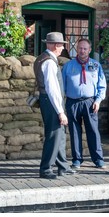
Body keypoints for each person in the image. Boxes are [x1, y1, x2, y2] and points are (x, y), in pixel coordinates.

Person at [33, 32, 76, 179]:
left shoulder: (41, 58)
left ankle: (62, 166)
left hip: (47, 100)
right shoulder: (49, 62)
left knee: (59, 134)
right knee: (53, 134)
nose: (62, 48)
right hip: (51, 101)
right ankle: (45, 168)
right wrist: (60, 111)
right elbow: (52, 89)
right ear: (54, 45)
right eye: (61, 45)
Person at [62, 38, 107, 169]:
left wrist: (98, 101)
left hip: (90, 102)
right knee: (74, 132)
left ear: (90, 50)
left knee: (93, 131)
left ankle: (98, 159)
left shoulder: (96, 65)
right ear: (77, 49)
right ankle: (77, 159)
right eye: (80, 48)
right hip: (72, 102)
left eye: (85, 48)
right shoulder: (68, 66)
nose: (82, 51)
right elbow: (62, 86)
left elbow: (102, 86)